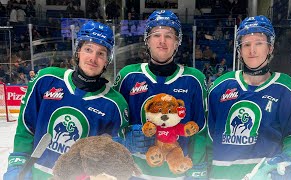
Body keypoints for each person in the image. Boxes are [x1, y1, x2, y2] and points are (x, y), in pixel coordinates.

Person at [3, 20, 140, 180]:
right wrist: (17, 163)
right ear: (78, 51)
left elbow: (110, 158)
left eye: (101, 53)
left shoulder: (115, 104)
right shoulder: (46, 79)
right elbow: (26, 128)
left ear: (107, 60)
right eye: (88, 49)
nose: (93, 58)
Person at [207, 15, 291, 179]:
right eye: (246, 44)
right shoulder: (220, 87)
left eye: (259, 43)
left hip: (267, 175)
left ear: (270, 48)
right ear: (239, 49)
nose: (252, 50)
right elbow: (208, 134)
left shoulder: (288, 90)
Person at [113, 10, 208, 179]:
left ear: (177, 42)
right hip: (135, 173)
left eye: (169, 36)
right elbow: (114, 124)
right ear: (147, 40)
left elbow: (200, 130)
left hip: (177, 172)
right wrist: (124, 138)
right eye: (156, 35)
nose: (162, 41)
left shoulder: (194, 79)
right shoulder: (128, 76)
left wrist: (197, 168)